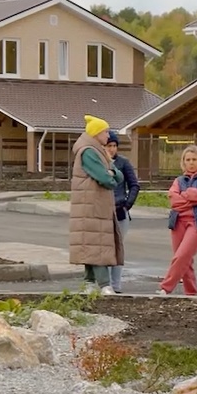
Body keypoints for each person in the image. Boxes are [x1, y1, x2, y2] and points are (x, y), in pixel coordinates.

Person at [69, 115, 121, 294]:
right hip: (92, 205)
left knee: (90, 244)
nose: (108, 135)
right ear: (97, 133)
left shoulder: (96, 150)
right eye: (106, 131)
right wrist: (111, 174)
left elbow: (117, 175)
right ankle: (105, 285)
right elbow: (106, 179)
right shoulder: (90, 152)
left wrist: (112, 171)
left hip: (91, 205)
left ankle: (89, 284)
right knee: (96, 245)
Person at [160, 145, 197, 295]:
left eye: (194, 159)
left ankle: (166, 287)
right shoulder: (179, 180)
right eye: (188, 160)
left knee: (182, 256)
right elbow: (173, 200)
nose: (191, 162)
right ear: (183, 162)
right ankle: (191, 293)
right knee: (186, 260)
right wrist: (192, 199)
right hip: (178, 221)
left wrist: (187, 194)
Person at [105, 130, 139, 293]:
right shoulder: (99, 163)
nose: (111, 149)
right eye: (108, 145)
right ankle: (104, 284)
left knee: (118, 247)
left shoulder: (123, 163)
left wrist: (128, 203)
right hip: (103, 211)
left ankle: (116, 284)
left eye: (114, 146)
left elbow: (134, 184)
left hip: (120, 210)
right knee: (105, 248)